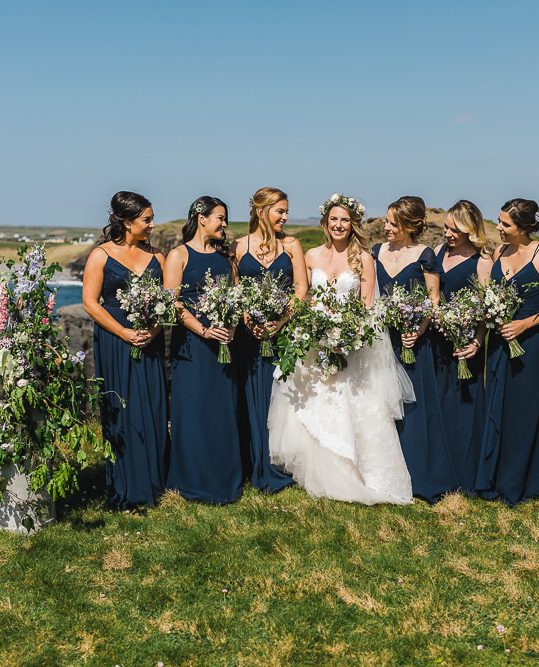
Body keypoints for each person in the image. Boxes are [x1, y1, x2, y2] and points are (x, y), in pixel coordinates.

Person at [268, 193, 414, 505]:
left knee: (351, 406)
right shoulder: (311, 256)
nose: (338, 225)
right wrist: (313, 329)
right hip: (315, 342)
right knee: (315, 404)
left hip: (351, 344)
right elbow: (305, 299)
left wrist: (350, 336)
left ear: (353, 224)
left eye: (344, 220)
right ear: (325, 222)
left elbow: (368, 305)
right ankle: (318, 471)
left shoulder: (364, 259)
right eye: (333, 219)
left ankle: (358, 473)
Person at [475, 198, 539, 505]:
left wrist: (525, 324)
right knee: (497, 407)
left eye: (506, 224)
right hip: (499, 341)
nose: (499, 228)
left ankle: (519, 480)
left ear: (525, 227)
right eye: (499, 221)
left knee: (524, 411)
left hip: (530, 343)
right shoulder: (500, 252)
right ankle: (492, 475)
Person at [81, 191, 168, 509]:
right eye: (147, 220)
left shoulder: (158, 257)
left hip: (150, 339)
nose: (153, 225)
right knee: (122, 407)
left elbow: (166, 300)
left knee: (153, 404)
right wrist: (124, 333)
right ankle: (126, 485)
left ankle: (156, 482)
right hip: (115, 340)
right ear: (128, 222)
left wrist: (153, 330)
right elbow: (90, 302)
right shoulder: (101, 255)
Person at [163, 196, 244, 504]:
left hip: (224, 344)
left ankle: (225, 479)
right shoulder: (178, 255)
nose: (224, 224)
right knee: (193, 410)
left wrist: (231, 326)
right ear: (202, 218)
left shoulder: (227, 257)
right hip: (192, 346)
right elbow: (173, 304)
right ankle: (191, 481)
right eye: (220, 218)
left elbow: (236, 296)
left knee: (222, 409)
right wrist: (204, 330)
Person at [371, 196, 447, 502]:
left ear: (410, 225)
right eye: (387, 221)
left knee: (413, 406)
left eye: (393, 223)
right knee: (381, 404)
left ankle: (417, 472)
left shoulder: (424, 255)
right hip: (380, 340)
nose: (387, 227)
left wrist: (418, 330)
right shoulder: (376, 251)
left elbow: (433, 300)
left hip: (412, 341)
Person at [232, 187, 308, 493]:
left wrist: (281, 320)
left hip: (283, 336)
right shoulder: (238, 247)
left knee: (284, 400)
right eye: (281, 211)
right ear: (261, 211)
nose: (285, 217)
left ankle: (281, 465)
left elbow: (301, 288)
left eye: (287, 211)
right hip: (248, 338)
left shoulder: (291, 245)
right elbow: (235, 292)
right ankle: (254, 463)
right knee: (251, 399)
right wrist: (249, 321)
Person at [431, 199, 493, 493]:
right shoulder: (438, 252)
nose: (448, 234)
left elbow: (486, 308)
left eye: (454, 230)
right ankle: (438, 468)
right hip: (436, 342)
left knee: (463, 407)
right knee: (437, 403)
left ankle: (465, 473)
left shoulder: (482, 262)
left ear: (470, 230)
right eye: (446, 228)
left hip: (466, 345)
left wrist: (477, 341)